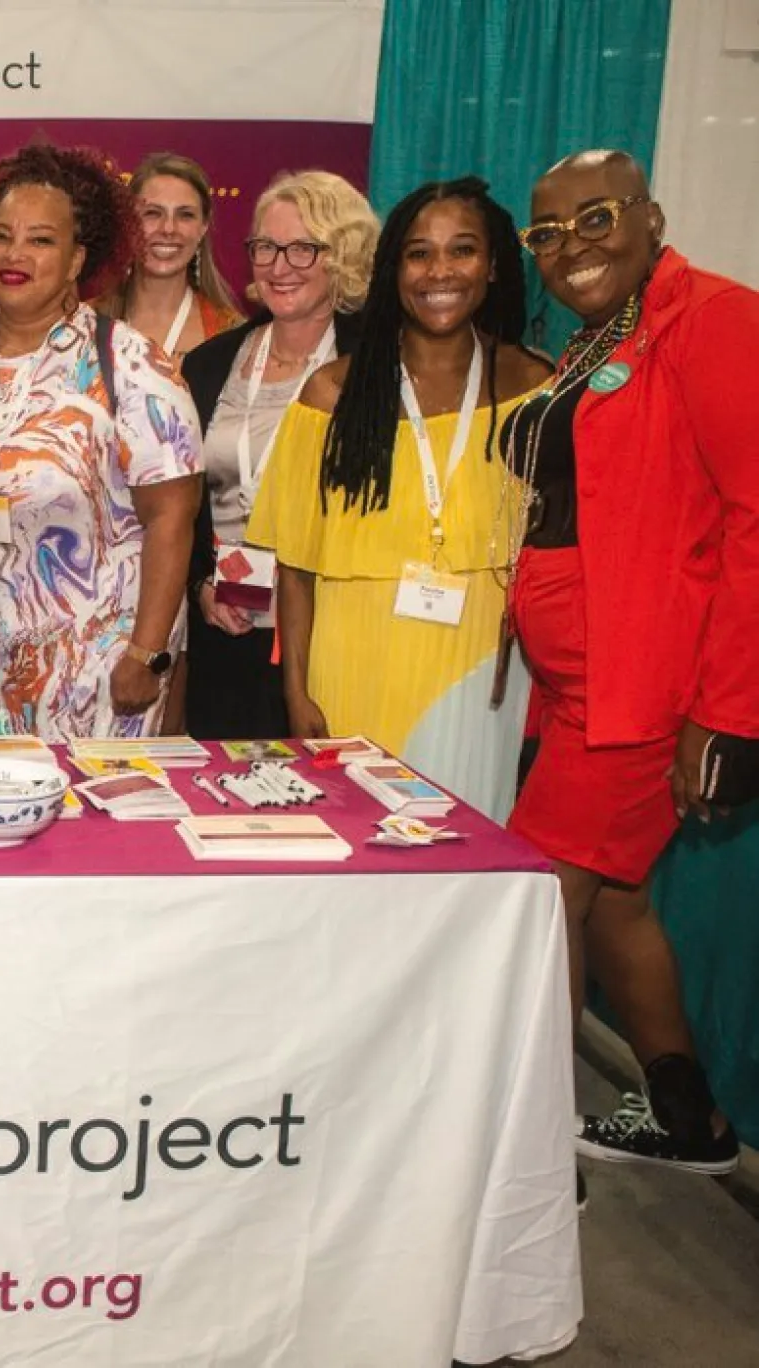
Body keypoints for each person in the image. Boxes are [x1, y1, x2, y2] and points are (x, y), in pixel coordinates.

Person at [503, 150, 754, 1174]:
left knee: (538, 899)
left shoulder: (716, 320)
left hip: (644, 687)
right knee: (617, 901)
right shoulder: (599, 339)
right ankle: (688, 1120)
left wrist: (732, 712)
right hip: (578, 688)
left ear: (651, 215)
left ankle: (527, 1159)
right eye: (548, 234)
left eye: (595, 218)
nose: (572, 247)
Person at [246, 176, 550, 819]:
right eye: (418, 252)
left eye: (461, 250)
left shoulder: (536, 387)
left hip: (478, 670)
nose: (439, 270)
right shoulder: (331, 396)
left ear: (493, 264)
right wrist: (295, 692)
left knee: (466, 852)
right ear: (393, 269)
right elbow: (295, 567)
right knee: (356, 858)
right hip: (353, 661)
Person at [0, 144, 204, 742]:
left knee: (93, 831)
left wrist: (145, 655)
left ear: (77, 260)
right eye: (0, 235)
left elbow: (173, 516)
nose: (14, 254)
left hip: (96, 667)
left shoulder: (131, 364)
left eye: (40, 240)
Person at [181, 171, 378, 739]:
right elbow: (187, 500)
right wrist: (200, 585)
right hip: (227, 626)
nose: (278, 265)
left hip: (332, 630)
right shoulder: (210, 363)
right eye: (266, 247)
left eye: (303, 248)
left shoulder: (373, 365)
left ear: (343, 255)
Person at [99, 153, 242, 374]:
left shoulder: (232, 334)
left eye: (185, 215)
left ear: (203, 226)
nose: (168, 229)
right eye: (152, 213)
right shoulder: (84, 322)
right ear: (129, 222)